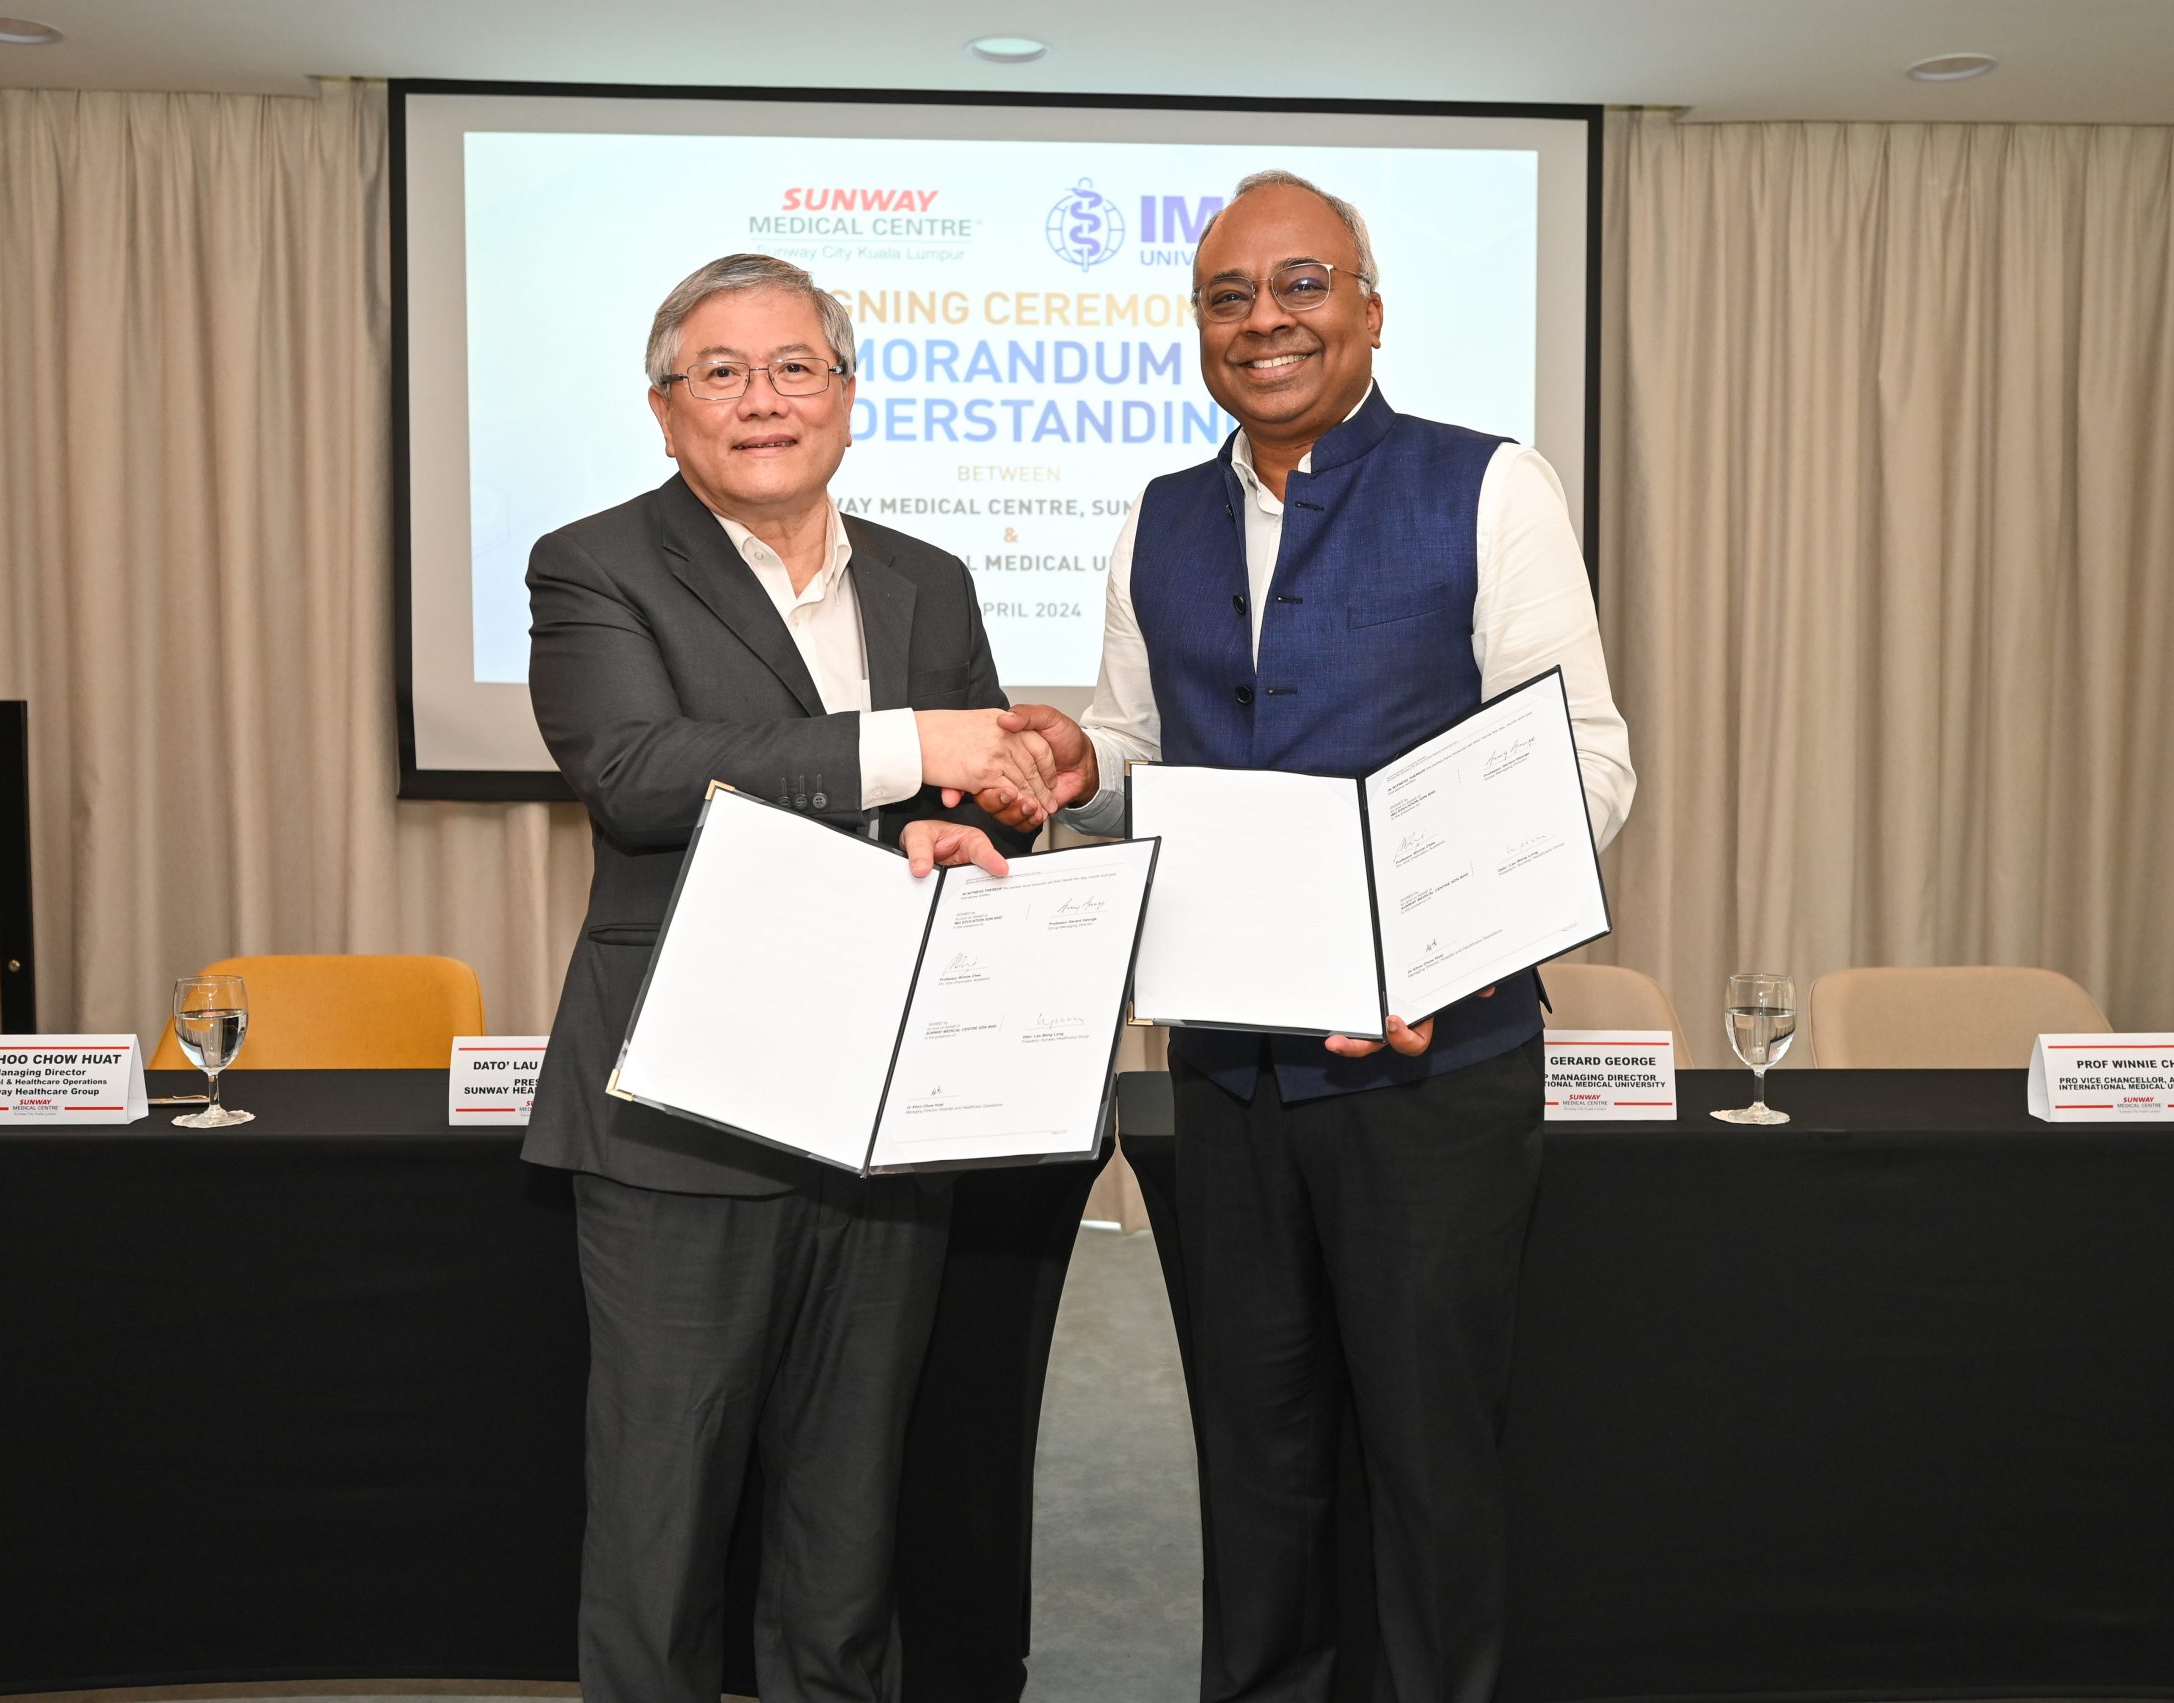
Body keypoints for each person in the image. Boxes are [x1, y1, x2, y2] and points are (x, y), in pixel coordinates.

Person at [992, 173, 1636, 1702]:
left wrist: (1434, 949)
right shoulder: (1159, 517)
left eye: (1301, 285)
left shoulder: (1490, 486)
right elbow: (1140, 753)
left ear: (1367, 307)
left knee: (1429, 1461)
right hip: (1225, 1073)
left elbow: (1585, 765)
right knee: (1254, 1454)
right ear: (1198, 326)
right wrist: (1072, 781)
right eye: (1229, 296)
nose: (1264, 321)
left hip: (1432, 1067)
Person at [520, 252, 1069, 1702]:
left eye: (795, 369)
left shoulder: (927, 582)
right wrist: (916, 750)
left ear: (845, 396)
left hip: (884, 1114)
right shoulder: (594, 564)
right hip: (680, 1120)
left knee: (845, 1531)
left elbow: (966, 799)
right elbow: (638, 778)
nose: (762, 401)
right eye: (722, 372)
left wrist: (970, 815)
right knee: (662, 1521)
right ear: (664, 409)